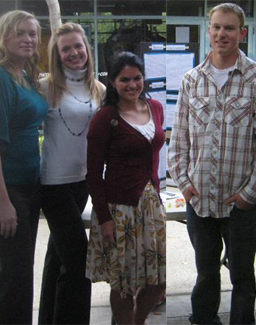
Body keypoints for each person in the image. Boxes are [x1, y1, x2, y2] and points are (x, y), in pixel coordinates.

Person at [168, 3, 256, 325]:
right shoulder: (191, 80)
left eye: (229, 28)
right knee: (205, 274)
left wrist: (249, 193)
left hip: (239, 206)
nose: (221, 34)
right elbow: (179, 139)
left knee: (242, 277)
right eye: (216, 27)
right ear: (208, 30)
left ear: (242, 33)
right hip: (199, 203)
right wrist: (185, 185)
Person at [86, 51, 166, 325]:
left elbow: (153, 156)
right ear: (113, 83)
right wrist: (104, 219)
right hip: (119, 210)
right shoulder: (105, 117)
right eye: (124, 80)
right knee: (123, 283)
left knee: (157, 282)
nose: (132, 85)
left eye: (137, 78)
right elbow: (94, 174)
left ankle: (137, 321)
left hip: (151, 205)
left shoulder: (155, 107)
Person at [38, 23, 105, 324]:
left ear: (86, 48)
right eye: (66, 49)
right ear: (57, 54)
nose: (74, 53)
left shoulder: (98, 88)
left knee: (58, 257)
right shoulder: (45, 86)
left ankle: (48, 318)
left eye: (78, 46)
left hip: (83, 182)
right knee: (80, 263)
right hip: (53, 184)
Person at [0, 10, 49, 325]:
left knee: (21, 273)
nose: (29, 39)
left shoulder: (27, 75)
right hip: (11, 189)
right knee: (13, 277)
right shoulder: (3, 78)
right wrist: (3, 203)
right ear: (5, 37)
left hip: (30, 186)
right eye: (21, 33)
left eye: (33, 33)